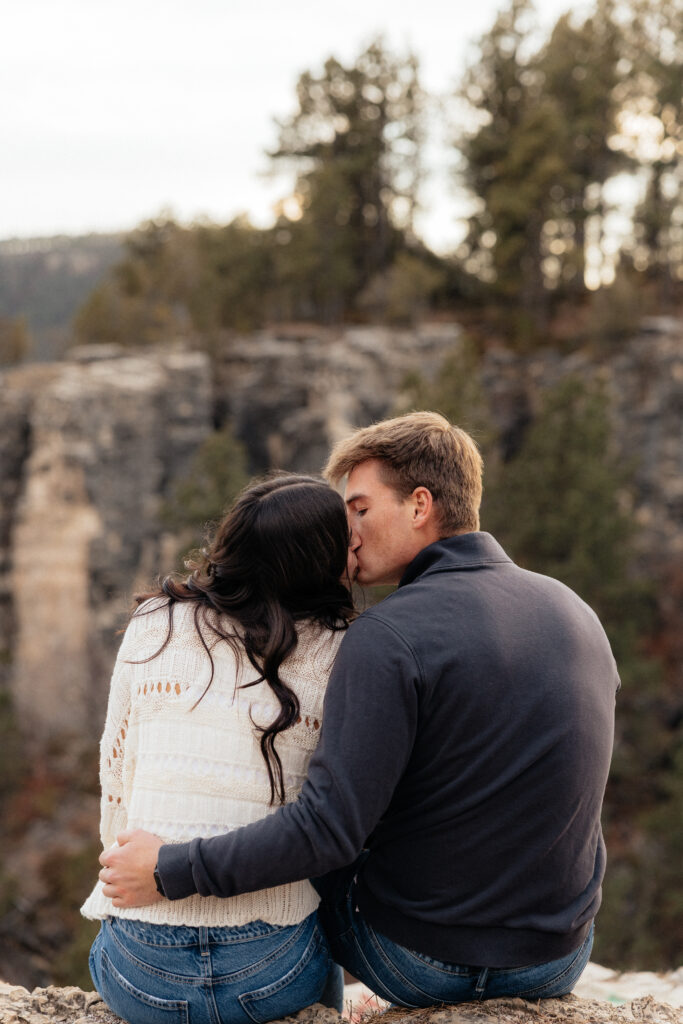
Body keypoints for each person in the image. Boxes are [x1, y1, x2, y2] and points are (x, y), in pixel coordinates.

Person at [99, 412, 620, 1007]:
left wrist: (171, 867)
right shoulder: (577, 612)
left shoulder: (386, 635)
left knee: (316, 849)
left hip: (418, 965)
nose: (347, 533)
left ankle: (310, 995)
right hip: (556, 960)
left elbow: (329, 832)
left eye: (361, 509)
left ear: (419, 505)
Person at [82, 474, 356, 1024]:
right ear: (318, 561)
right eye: (347, 540)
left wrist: (125, 867)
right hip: (273, 971)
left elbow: (118, 770)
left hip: (143, 968)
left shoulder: (154, 622)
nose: (357, 549)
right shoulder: (343, 648)